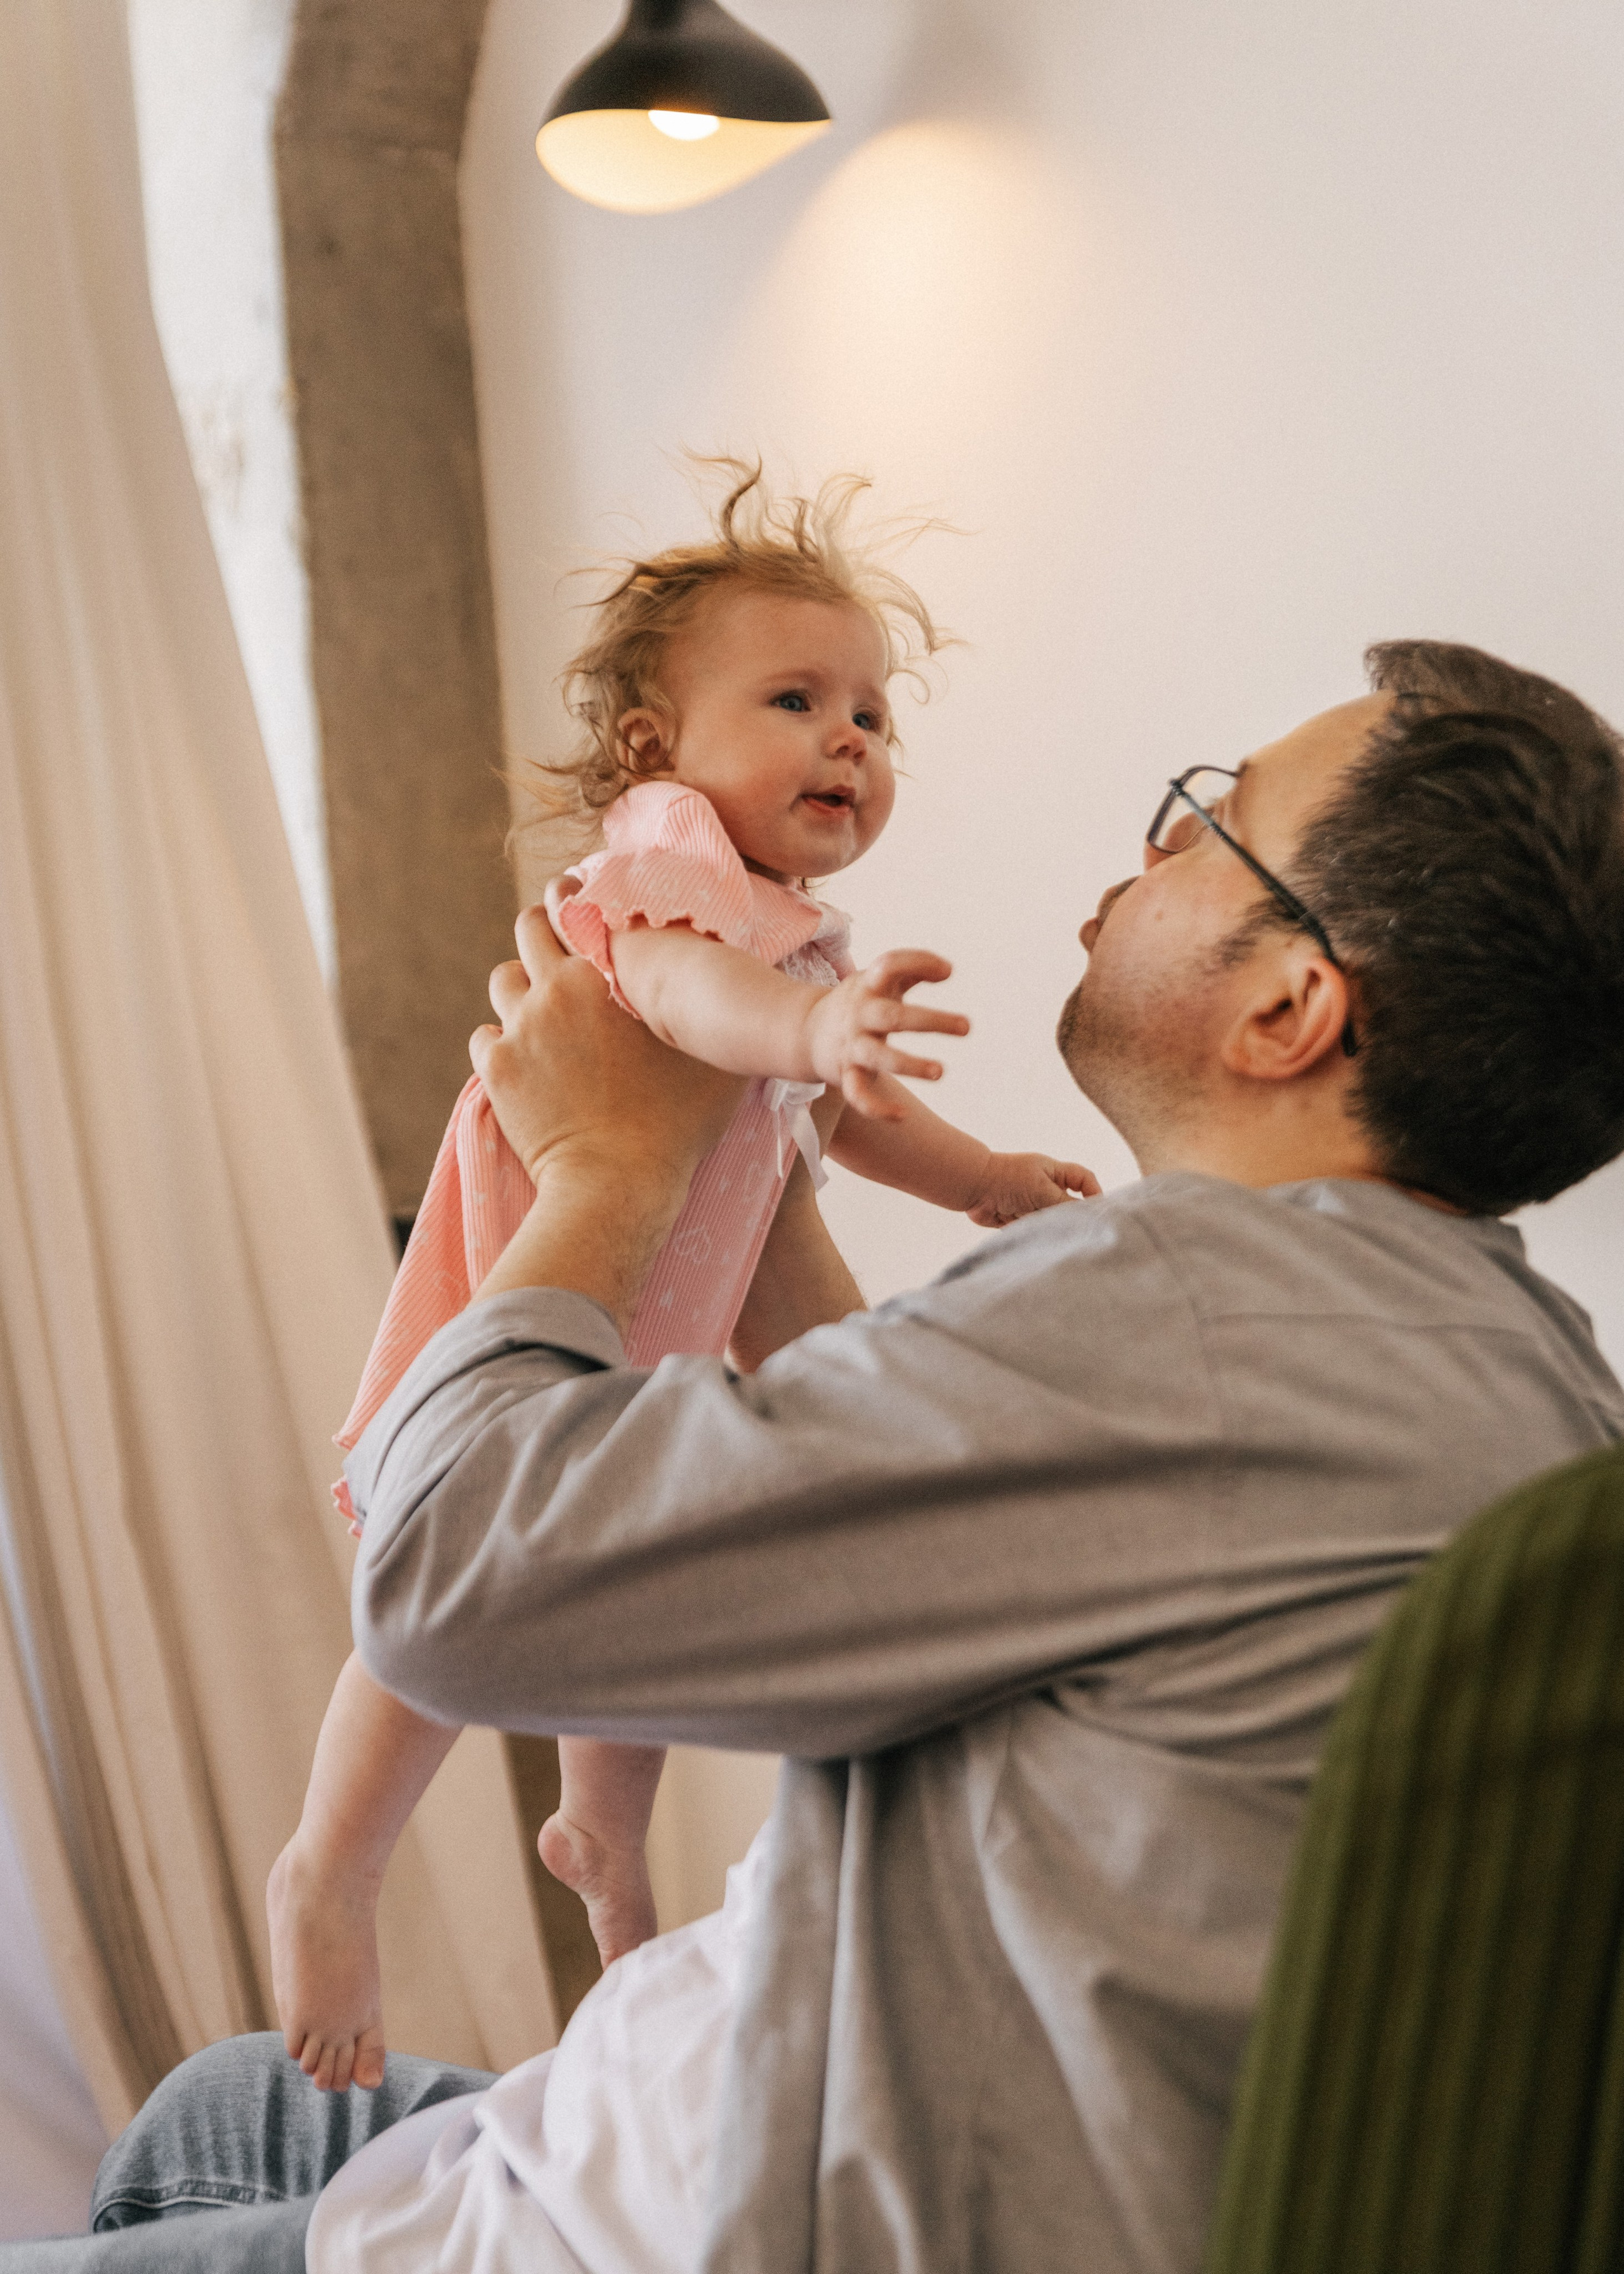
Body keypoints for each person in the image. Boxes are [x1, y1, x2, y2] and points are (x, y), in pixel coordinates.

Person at [13, 639, 1624, 2274]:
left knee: (192, 2155)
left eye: (1211, 821)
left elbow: (442, 1578)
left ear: (1290, 1006)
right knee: (220, 2114)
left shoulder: (1178, 1317)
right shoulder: (1530, 1382)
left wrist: (598, 1170)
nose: (1155, 841)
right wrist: (758, 1197)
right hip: (715, 2103)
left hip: (684, 2221)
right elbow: (871, 1437)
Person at [270, 468, 1094, 2096]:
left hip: (653, 1334)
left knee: (624, 1591)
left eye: (870, 713)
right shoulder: (668, 872)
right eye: (794, 699)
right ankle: (330, 1866)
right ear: (654, 753)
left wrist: (980, 1173)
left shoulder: (795, 942)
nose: (846, 739)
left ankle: (603, 1838)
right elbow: (668, 990)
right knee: (428, 1619)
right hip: (517, 1306)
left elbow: (844, 1128)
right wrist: (804, 1030)